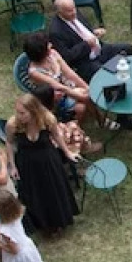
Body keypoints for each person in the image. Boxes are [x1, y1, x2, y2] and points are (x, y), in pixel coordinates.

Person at [10, 93, 80, 234]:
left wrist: (67, 152)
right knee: (36, 194)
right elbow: (9, 142)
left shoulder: (47, 119)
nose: (19, 116)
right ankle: (43, 224)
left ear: (33, 111)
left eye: (22, 113)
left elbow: (56, 135)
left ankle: (60, 220)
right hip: (27, 163)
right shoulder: (13, 125)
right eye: (17, 112)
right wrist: (12, 165)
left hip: (48, 160)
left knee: (54, 190)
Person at [23, 31, 101, 129]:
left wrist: (86, 87)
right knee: (83, 105)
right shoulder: (34, 73)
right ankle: (92, 123)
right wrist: (82, 95)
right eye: (48, 45)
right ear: (41, 52)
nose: (51, 45)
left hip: (67, 87)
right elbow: (58, 87)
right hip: (55, 99)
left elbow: (69, 73)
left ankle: (97, 119)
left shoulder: (53, 54)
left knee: (86, 94)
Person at [49, 0, 132, 82]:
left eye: (74, 8)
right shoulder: (56, 32)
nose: (74, 12)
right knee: (106, 74)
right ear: (59, 12)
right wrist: (86, 44)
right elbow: (67, 57)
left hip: (100, 49)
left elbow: (81, 30)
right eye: (69, 11)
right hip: (85, 61)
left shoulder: (74, 13)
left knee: (128, 48)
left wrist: (93, 32)